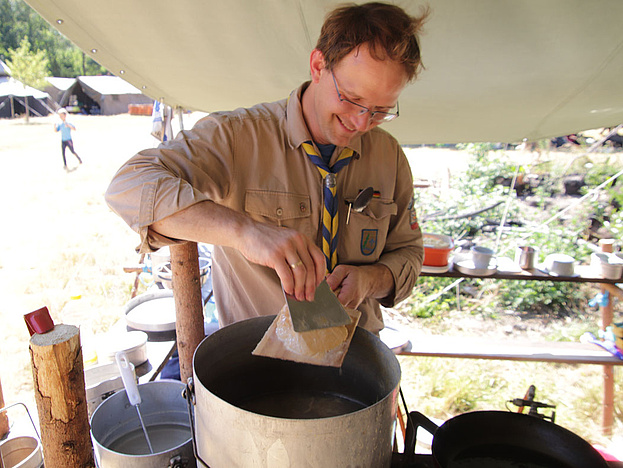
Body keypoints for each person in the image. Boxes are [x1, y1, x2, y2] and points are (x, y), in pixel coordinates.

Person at [105, 2, 427, 334]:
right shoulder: (237, 138)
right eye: (350, 98)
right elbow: (129, 185)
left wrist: (371, 280)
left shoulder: (389, 156)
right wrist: (246, 233)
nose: (361, 122)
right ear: (318, 66)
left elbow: (409, 253)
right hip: (258, 368)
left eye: (379, 110)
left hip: (357, 364)